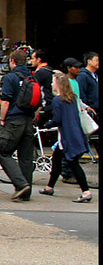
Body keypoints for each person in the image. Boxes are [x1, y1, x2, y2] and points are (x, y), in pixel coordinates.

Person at [40, 71, 93, 203]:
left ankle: (86, 192)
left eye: (53, 81)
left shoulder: (58, 100)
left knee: (73, 164)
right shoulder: (73, 99)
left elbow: (58, 119)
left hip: (67, 138)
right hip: (75, 135)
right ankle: (49, 187)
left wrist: (47, 124)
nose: (51, 84)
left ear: (58, 83)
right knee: (57, 160)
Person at [0, 48, 37, 201]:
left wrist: (2, 119)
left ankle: (20, 184)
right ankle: (26, 192)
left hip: (14, 120)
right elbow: (38, 102)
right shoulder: (32, 78)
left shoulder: (11, 77)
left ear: (12, 62)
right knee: (26, 157)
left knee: (3, 151)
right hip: (28, 120)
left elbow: (6, 101)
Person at [31, 49, 55, 123]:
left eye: (32, 58)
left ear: (39, 59)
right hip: (51, 104)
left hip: (44, 105)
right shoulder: (50, 70)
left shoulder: (40, 73)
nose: (31, 61)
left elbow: (33, 89)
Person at [76, 51, 98, 117]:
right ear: (89, 61)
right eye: (97, 60)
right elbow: (81, 93)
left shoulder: (95, 76)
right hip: (91, 111)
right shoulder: (82, 76)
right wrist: (86, 108)